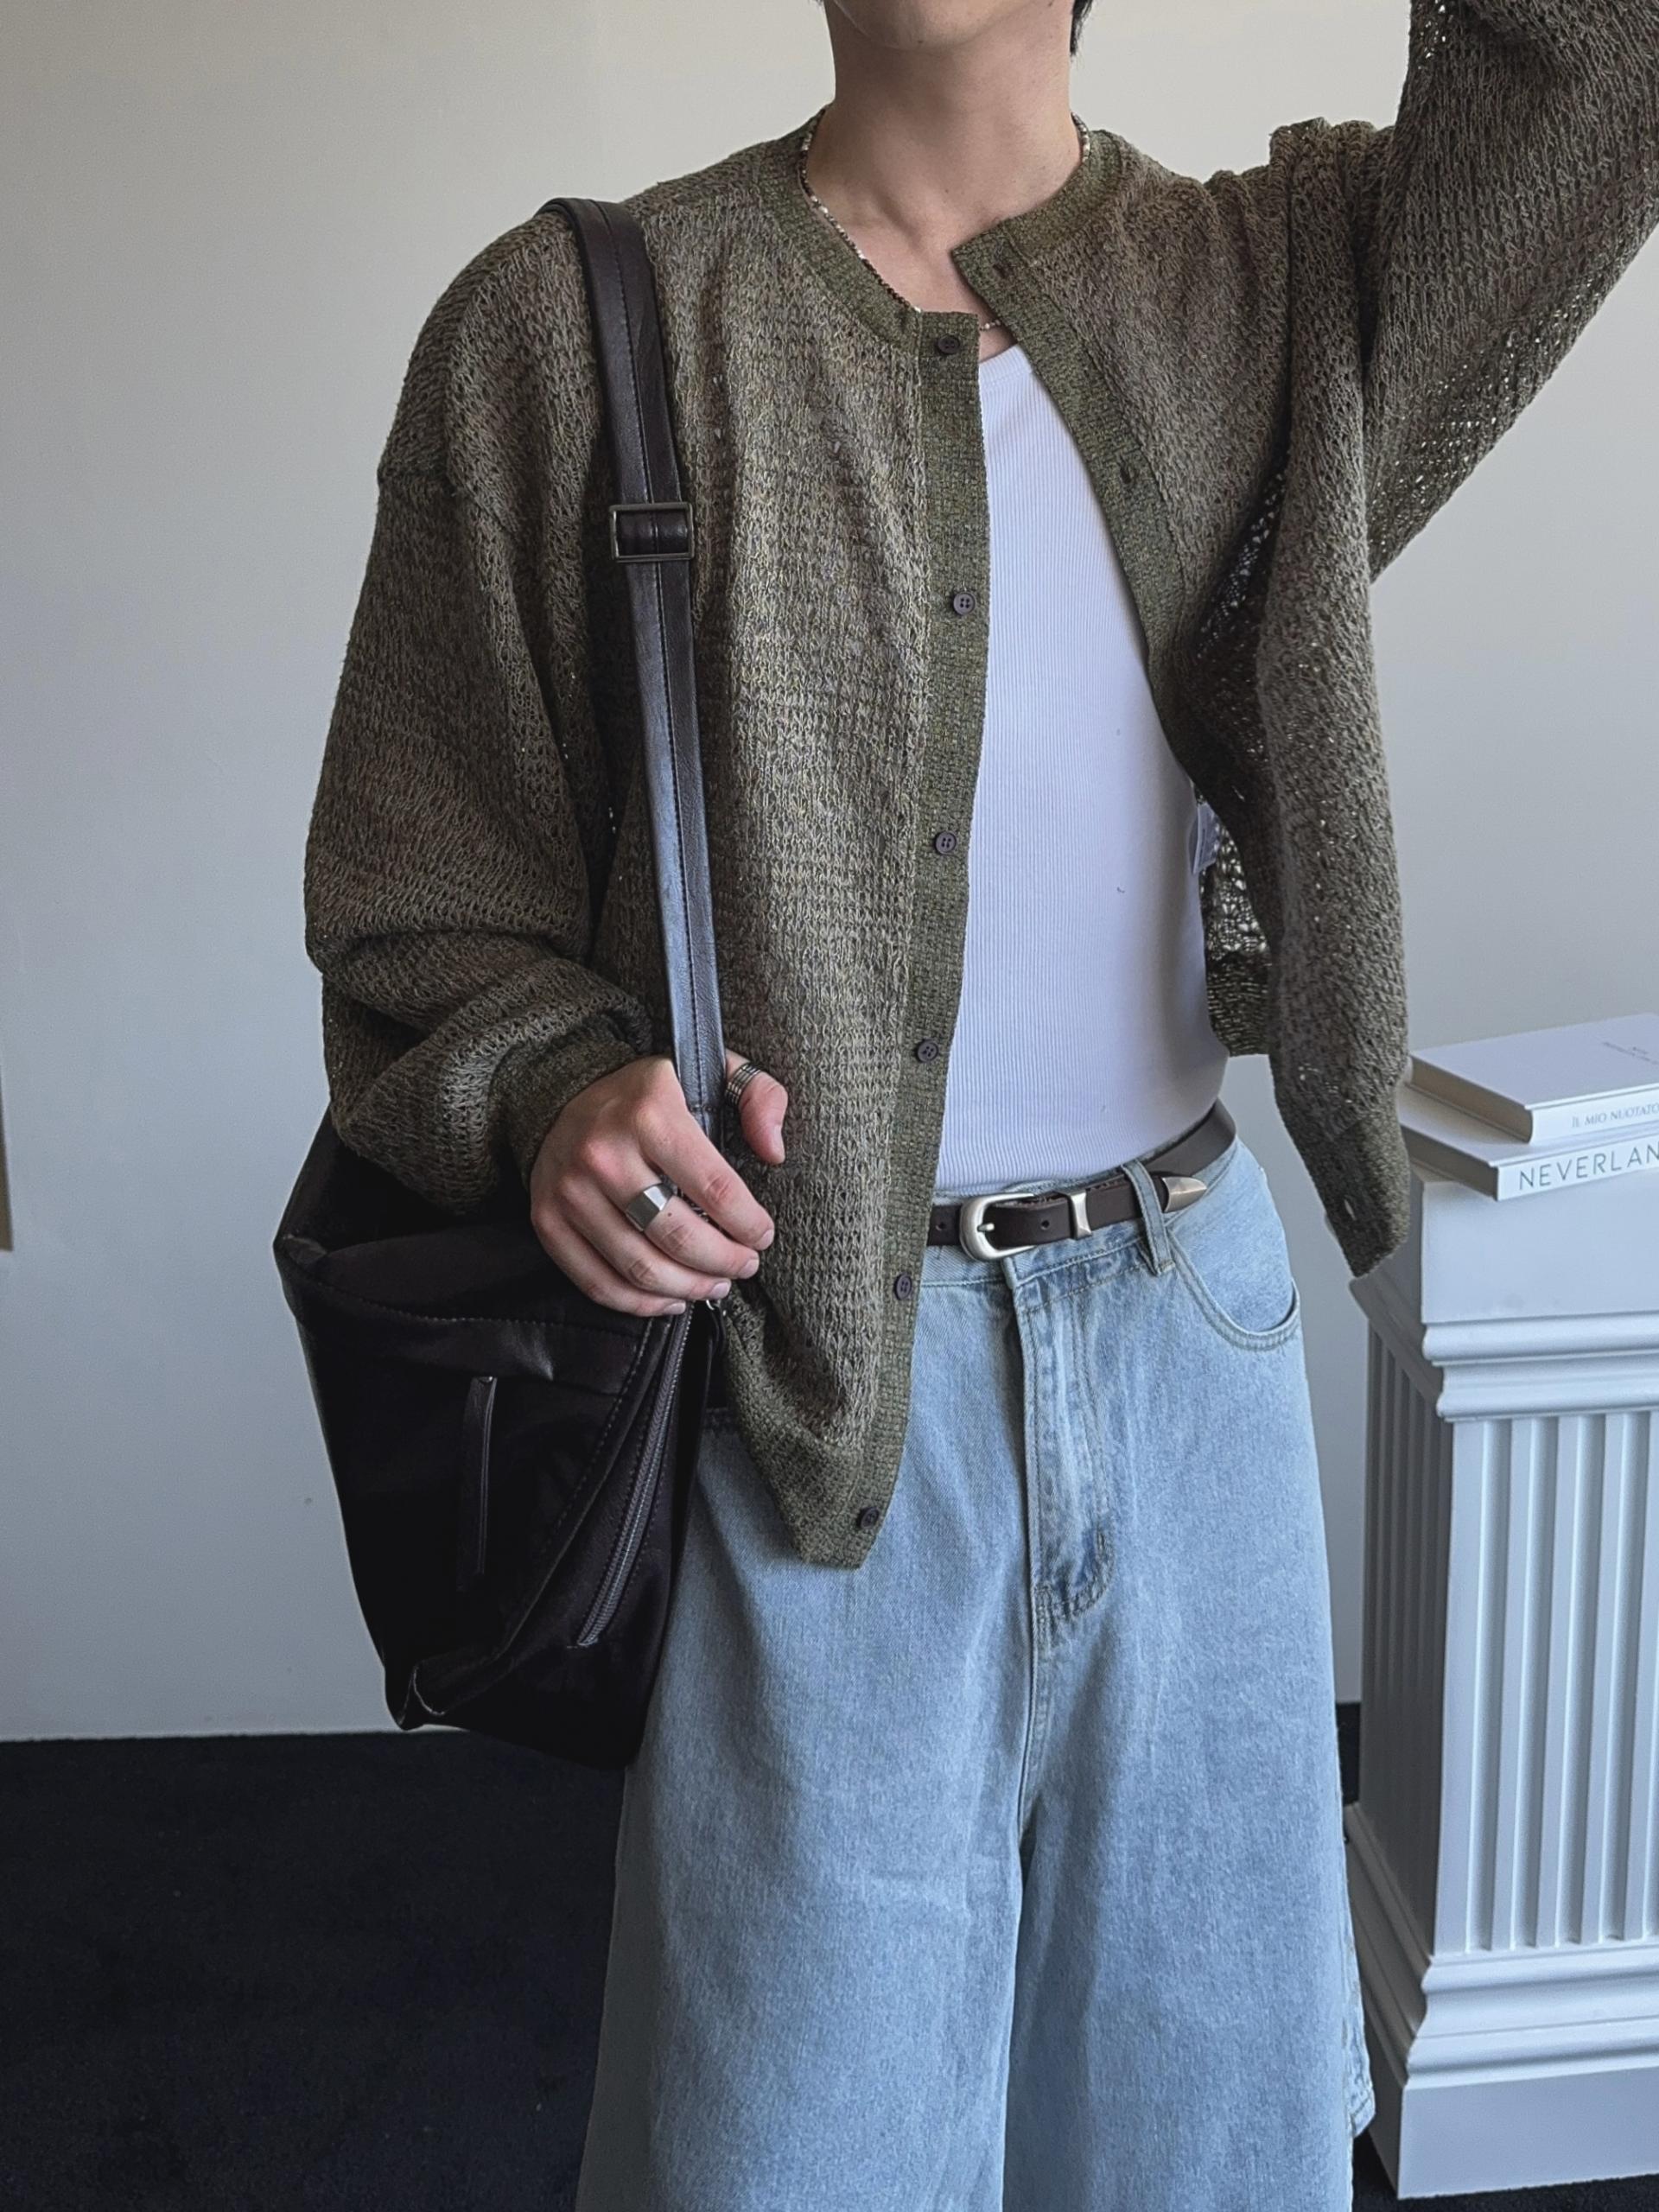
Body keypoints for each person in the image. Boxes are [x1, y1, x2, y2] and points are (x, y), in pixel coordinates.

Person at [302, 1, 1659, 2203]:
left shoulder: (1283, 283)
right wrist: (552, 1085)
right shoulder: (568, 326)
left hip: (1200, 1348)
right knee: (794, 2144)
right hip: (813, 1379)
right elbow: (418, 897)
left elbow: (1595, 71)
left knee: (1209, 2136)